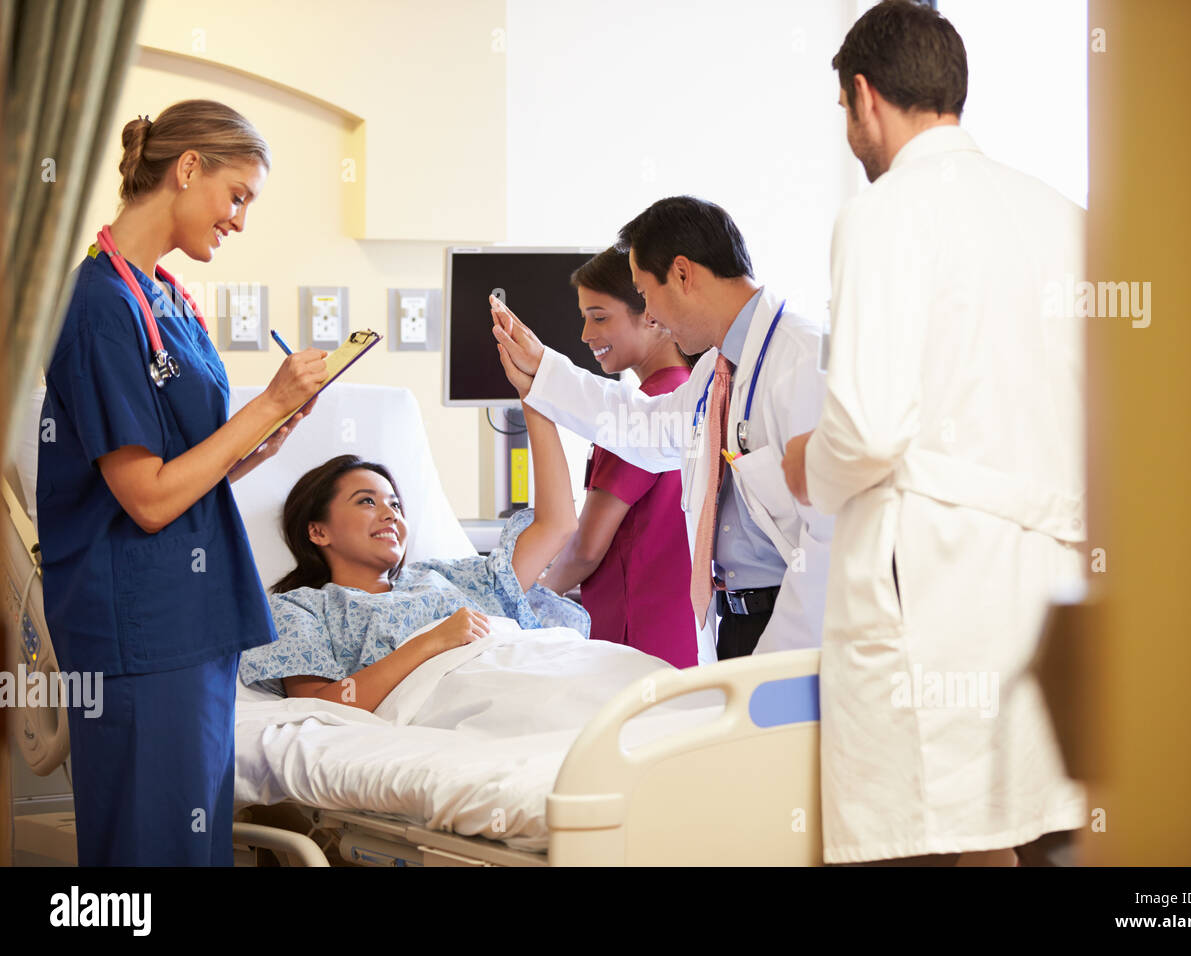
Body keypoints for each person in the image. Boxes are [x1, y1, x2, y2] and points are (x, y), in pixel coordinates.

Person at [780, 0, 1087, 866]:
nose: (850, 133)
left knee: (943, 834)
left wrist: (810, 468)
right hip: (1050, 574)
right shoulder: (1067, 218)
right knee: (1021, 824)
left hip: (937, 578)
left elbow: (870, 428)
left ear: (864, 97)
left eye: (845, 112)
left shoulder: (885, 213)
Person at [36, 100, 327, 866]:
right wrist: (268, 401)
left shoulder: (167, 298)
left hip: (193, 620)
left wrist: (263, 440)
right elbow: (150, 497)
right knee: (148, 850)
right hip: (141, 625)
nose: (238, 220)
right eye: (238, 196)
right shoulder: (98, 305)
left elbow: (190, 467)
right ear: (188, 167)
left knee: (189, 848)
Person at [492, 197, 833, 663]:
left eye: (645, 293)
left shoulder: (804, 360)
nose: (650, 316)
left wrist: (776, 661)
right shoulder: (717, 370)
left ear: (683, 273)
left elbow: (831, 537)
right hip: (735, 623)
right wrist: (545, 372)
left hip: (791, 630)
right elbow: (646, 427)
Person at [239, 368, 586, 709]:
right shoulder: (302, 609)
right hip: (475, 706)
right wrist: (431, 642)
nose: (391, 514)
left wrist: (532, 394)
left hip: (532, 674)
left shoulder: (452, 578)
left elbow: (557, 525)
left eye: (395, 504)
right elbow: (319, 704)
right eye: (366, 501)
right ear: (318, 531)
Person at [537, 247, 698, 668]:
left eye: (600, 317)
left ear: (651, 313)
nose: (586, 335)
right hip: (680, 636)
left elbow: (587, 548)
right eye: (584, 318)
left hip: (636, 641)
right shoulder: (688, 393)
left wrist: (528, 599)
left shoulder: (640, 413)